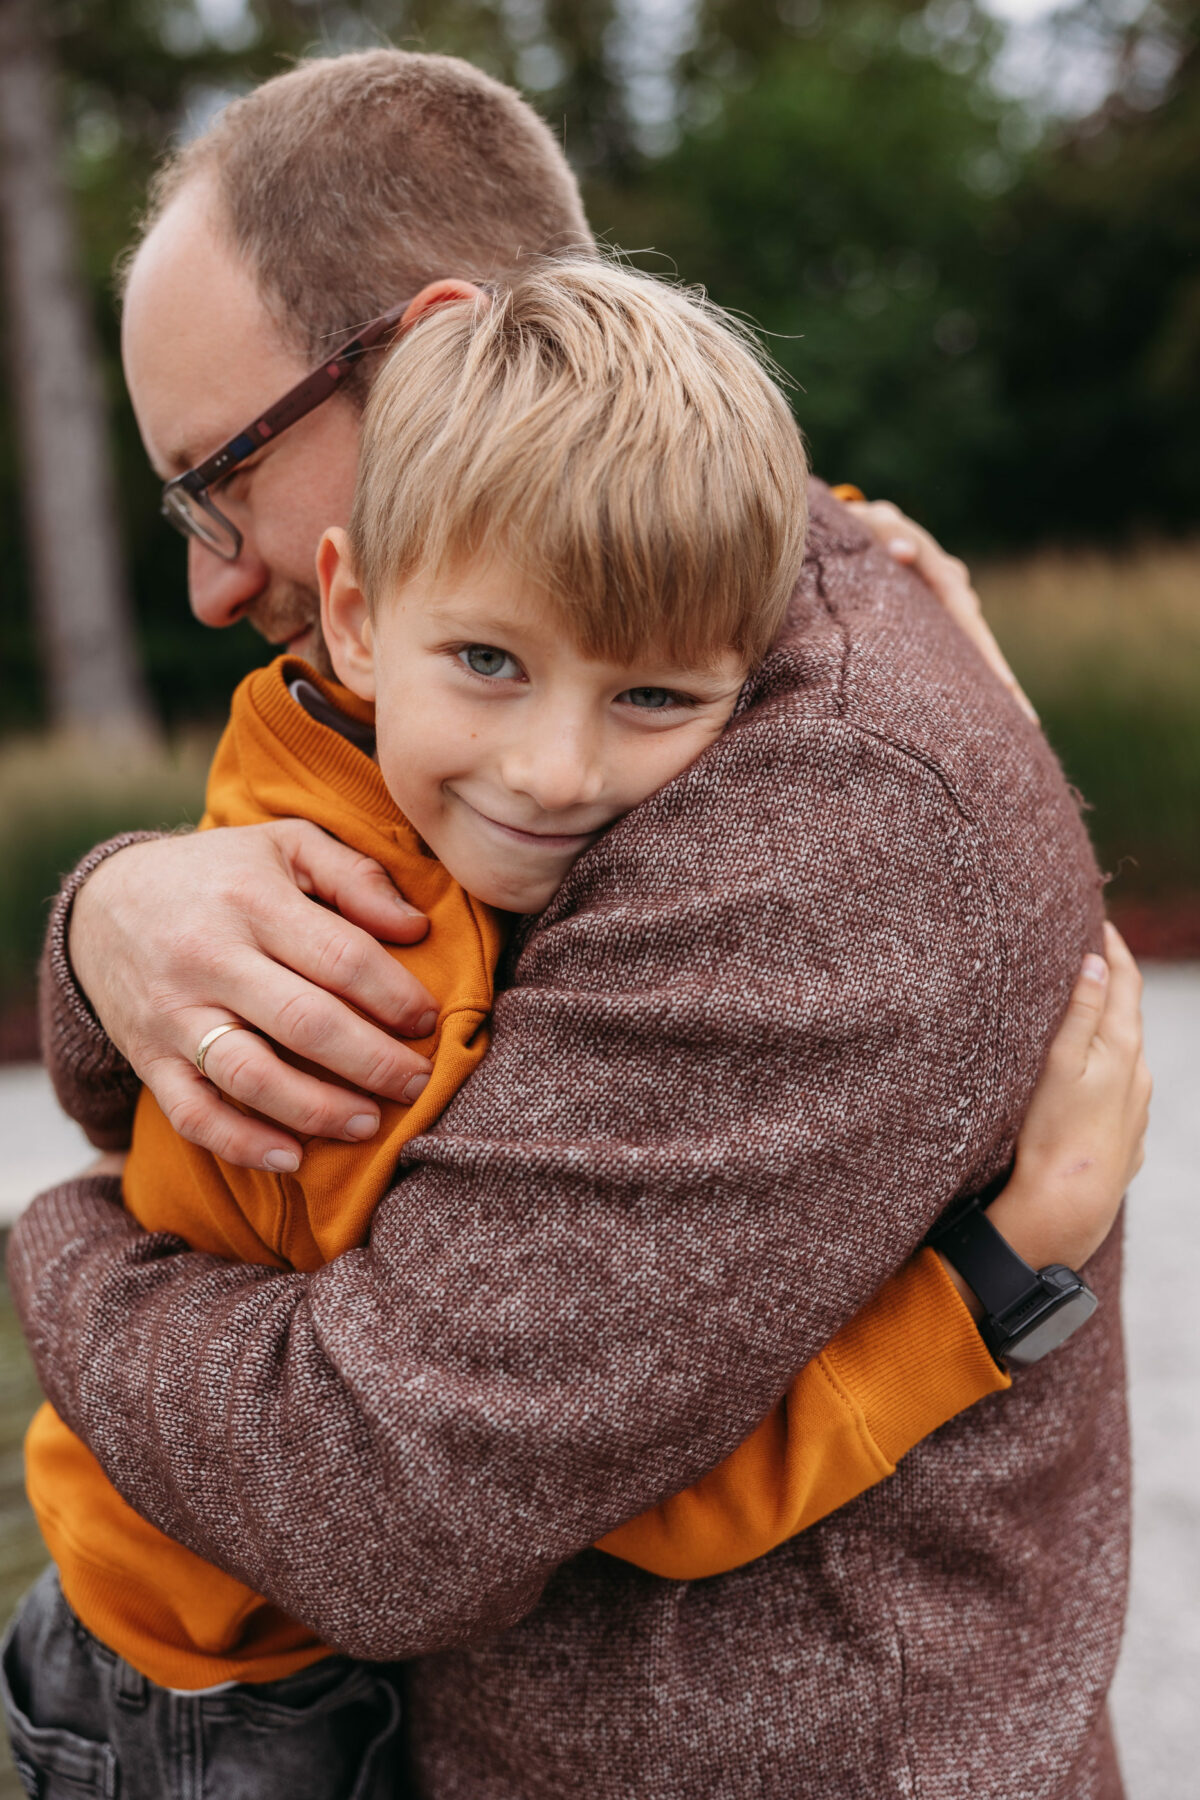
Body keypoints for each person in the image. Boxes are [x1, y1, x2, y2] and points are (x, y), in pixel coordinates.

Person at [8, 50, 1142, 1800]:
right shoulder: (421, 706)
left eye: (218, 474)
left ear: (438, 343)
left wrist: (61, 1255)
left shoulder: (813, 801)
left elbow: (376, 1498)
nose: (208, 581)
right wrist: (114, 923)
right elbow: (207, 1126)